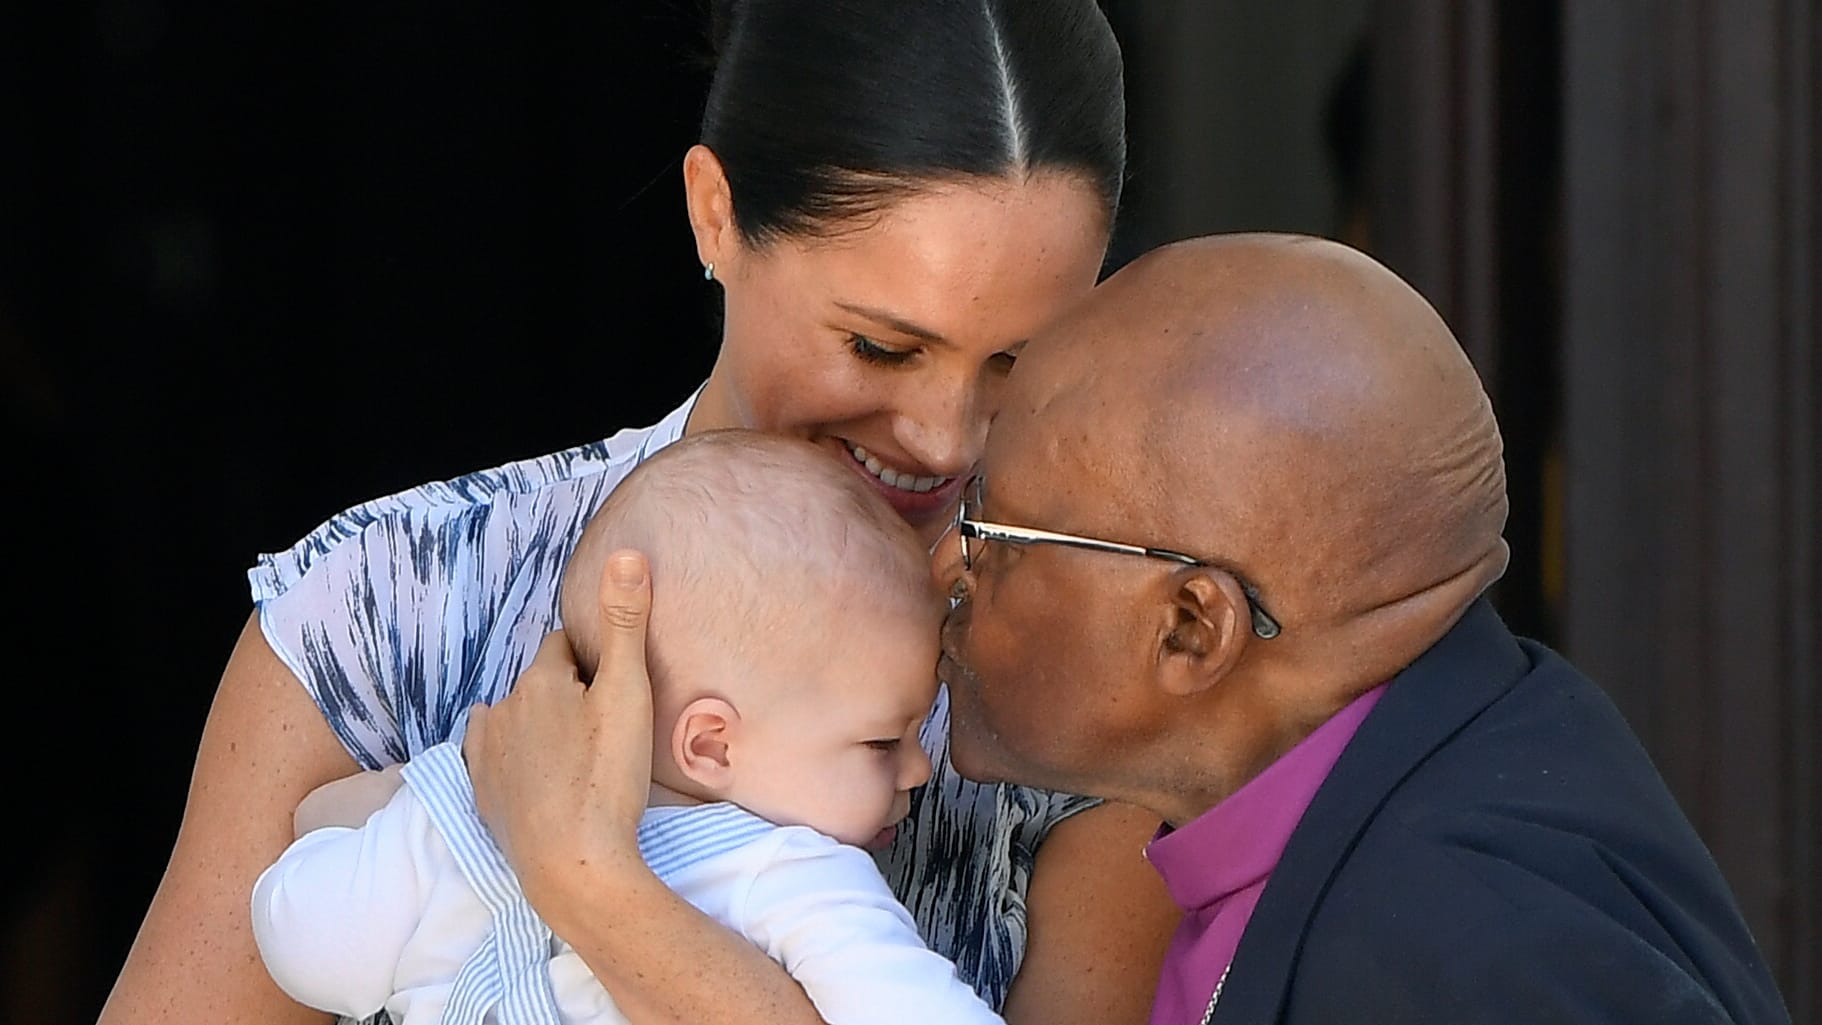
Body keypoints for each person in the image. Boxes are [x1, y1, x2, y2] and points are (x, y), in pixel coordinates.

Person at [100, 3, 1179, 1024]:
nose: (946, 438)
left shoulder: (1087, 670)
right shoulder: (398, 601)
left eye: (1017, 360)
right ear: (716, 214)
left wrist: (587, 878)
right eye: (879, 346)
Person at [919, 232, 1790, 1023]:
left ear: (1191, 628)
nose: (950, 568)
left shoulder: (1458, 960)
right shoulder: (1458, 752)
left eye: (992, 533)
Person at [250, 431, 1006, 1025]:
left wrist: (408, 800)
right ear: (711, 743)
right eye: (883, 741)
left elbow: (310, 950)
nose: (918, 769)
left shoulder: (467, 812)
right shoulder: (794, 875)